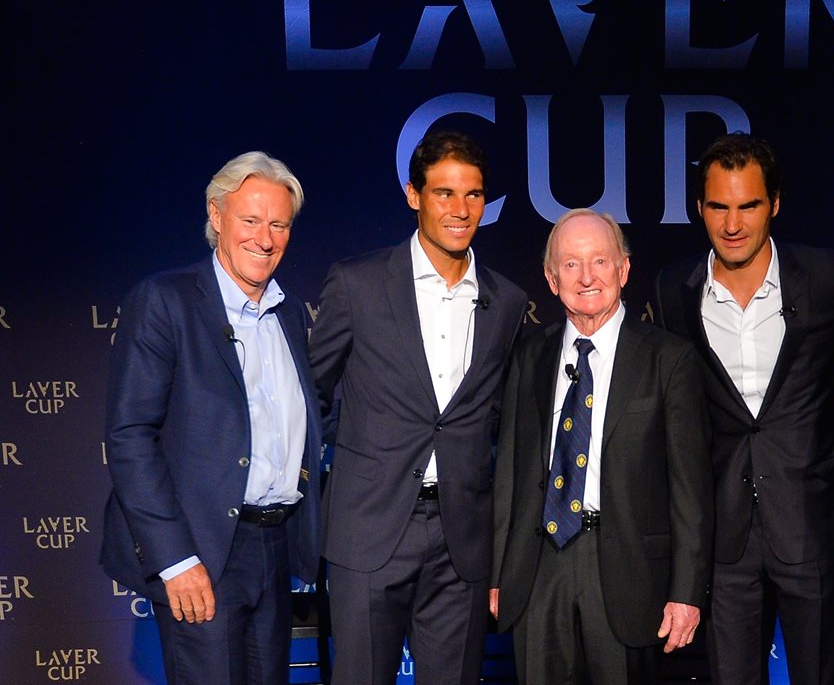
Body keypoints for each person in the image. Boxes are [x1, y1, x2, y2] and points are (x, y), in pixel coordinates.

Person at [308, 130, 527, 685]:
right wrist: (355, 462)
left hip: (462, 539)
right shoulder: (357, 284)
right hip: (369, 527)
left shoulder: (507, 301)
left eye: (473, 195)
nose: (460, 209)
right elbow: (312, 394)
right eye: (444, 193)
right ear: (414, 195)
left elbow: (501, 416)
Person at [101, 152, 324, 685]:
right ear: (216, 215)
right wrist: (176, 560)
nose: (264, 239)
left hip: (275, 546)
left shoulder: (292, 313)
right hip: (200, 550)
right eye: (251, 220)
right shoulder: (166, 301)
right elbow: (131, 436)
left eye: (279, 225)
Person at [654, 133, 834, 685]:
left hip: (809, 524)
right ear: (699, 208)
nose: (732, 224)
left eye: (748, 206)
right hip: (724, 537)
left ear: (774, 204)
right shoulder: (674, 289)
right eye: (718, 206)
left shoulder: (827, 277)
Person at [491, 209, 713, 685]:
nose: (586, 277)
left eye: (599, 261)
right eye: (571, 264)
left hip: (628, 572)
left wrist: (687, 592)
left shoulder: (669, 359)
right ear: (551, 279)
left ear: (624, 270)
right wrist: (498, 574)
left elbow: (691, 490)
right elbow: (509, 473)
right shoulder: (529, 356)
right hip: (538, 570)